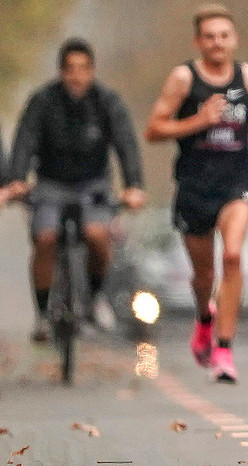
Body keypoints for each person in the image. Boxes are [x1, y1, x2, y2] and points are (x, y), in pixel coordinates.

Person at [145, 5, 248, 383]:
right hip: (195, 186)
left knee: (231, 257)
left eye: (224, 36)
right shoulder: (184, 78)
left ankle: (224, 350)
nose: (217, 43)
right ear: (198, 41)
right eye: (209, 37)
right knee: (203, 274)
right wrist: (199, 120)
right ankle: (204, 318)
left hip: (236, 183)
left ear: (234, 39)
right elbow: (153, 129)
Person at [6, 38, 146, 341]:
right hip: (50, 183)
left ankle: (95, 299)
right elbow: (25, 139)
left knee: (97, 235)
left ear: (92, 71)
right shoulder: (43, 101)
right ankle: (42, 315)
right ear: (61, 72)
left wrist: (134, 184)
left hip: (93, 184)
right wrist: (17, 178)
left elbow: (126, 143)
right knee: (45, 238)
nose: (77, 76)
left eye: (83, 69)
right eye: (70, 69)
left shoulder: (107, 102)